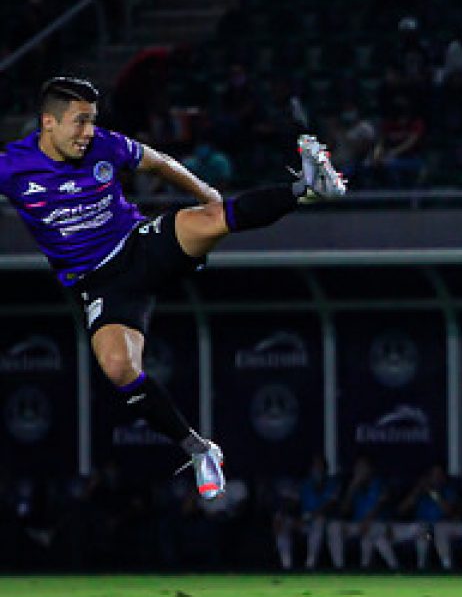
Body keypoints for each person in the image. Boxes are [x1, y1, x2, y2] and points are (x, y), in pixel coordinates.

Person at [0, 77, 347, 501]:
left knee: (211, 219)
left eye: (92, 120)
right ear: (48, 123)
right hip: (100, 282)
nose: (88, 132)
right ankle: (199, 449)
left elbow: (160, 163)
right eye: (80, 122)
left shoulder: (105, 145)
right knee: (118, 367)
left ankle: (308, 188)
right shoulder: (12, 166)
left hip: (139, 246)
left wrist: (208, 194)